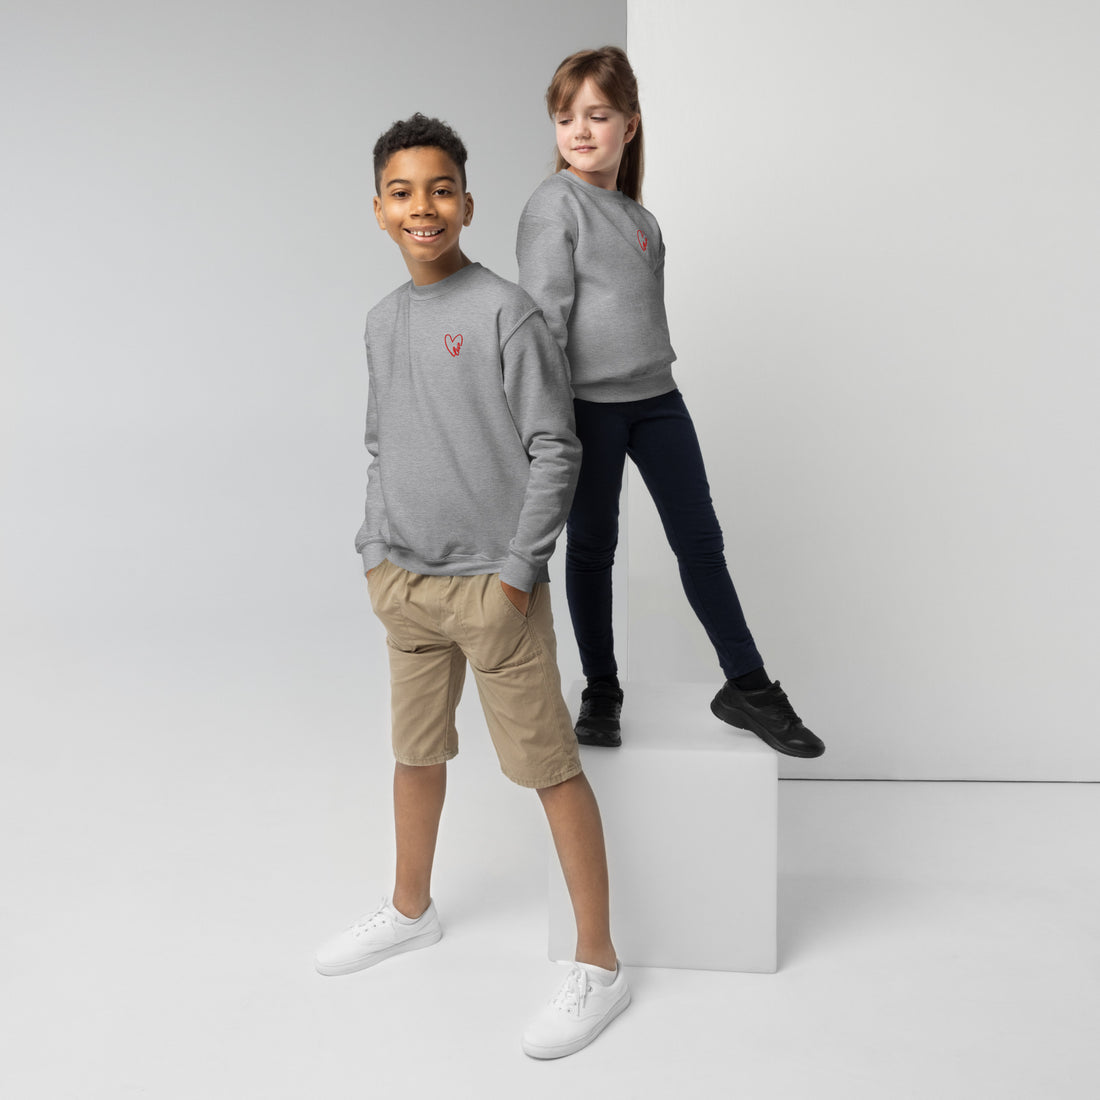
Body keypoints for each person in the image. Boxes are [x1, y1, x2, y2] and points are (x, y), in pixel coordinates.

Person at [314, 113, 630, 1060]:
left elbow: (555, 447)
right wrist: (375, 551)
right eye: (403, 192)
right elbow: (382, 444)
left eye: (441, 190)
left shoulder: (505, 311)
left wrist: (518, 576)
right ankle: (410, 910)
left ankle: (600, 963)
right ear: (379, 210)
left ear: (468, 203)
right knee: (415, 755)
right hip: (406, 584)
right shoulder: (382, 321)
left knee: (550, 770)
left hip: (495, 595)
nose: (424, 207)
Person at [516, 47, 825, 759]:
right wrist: (544, 426)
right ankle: (601, 690)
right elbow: (543, 324)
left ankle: (748, 687)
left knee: (701, 544)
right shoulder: (553, 205)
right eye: (566, 117)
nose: (580, 130)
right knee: (592, 549)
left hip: (658, 402)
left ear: (630, 124)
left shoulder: (640, 218)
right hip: (588, 408)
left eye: (598, 115)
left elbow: (636, 319)